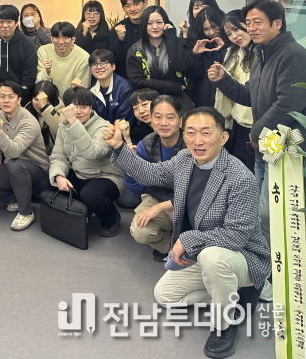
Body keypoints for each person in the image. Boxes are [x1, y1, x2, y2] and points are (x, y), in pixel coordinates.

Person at [104, 107, 270, 359]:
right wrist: (118, 147)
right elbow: (150, 173)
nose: (197, 140)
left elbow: (236, 236)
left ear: (223, 137)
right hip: (205, 253)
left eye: (206, 132)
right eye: (191, 132)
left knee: (212, 258)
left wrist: (187, 239)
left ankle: (225, 323)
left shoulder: (240, 178)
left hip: (242, 256)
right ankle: (238, 296)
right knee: (165, 296)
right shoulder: (184, 159)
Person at [209, 0, 306, 246]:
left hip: (285, 145)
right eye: (248, 23)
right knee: (262, 211)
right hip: (265, 145)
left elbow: (289, 104)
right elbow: (251, 96)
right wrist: (223, 80)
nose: (251, 28)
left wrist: (256, 131)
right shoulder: (262, 55)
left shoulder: (293, 55)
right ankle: (264, 259)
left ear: (277, 24)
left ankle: (276, 263)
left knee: (272, 213)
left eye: (257, 22)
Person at [0, 81, 50, 230]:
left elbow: (14, 151)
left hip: (37, 171)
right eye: (2, 96)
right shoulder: (0, 115)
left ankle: (26, 212)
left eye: (11, 97)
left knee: (15, 165)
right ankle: (16, 199)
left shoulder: (29, 121)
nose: (6, 100)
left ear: (19, 100)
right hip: (13, 165)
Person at [49, 87, 125, 237]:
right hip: (79, 173)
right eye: (74, 107)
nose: (78, 111)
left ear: (91, 108)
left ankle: (111, 218)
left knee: (91, 194)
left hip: (106, 176)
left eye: (83, 107)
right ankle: (85, 210)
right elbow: (58, 156)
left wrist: (73, 122)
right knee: (51, 182)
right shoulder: (64, 125)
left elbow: (93, 153)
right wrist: (59, 176)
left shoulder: (103, 126)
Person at [126, 95, 184, 261]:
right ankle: (172, 249)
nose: (163, 123)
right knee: (140, 230)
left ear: (180, 121)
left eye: (170, 117)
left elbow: (195, 192)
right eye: (158, 117)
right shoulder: (147, 143)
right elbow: (138, 188)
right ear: (151, 120)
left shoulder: (191, 144)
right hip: (156, 197)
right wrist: (131, 166)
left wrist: (160, 208)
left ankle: (186, 245)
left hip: (186, 203)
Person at [126, 5, 195, 111]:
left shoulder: (176, 43)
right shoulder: (136, 50)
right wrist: (172, 87)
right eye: (149, 23)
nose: (155, 27)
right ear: (144, 25)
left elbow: (185, 67)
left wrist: (171, 37)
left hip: (178, 101)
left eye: (159, 22)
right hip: (149, 104)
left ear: (166, 23)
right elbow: (136, 81)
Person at [213, 10, 254, 172]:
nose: (234, 36)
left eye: (236, 29)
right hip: (237, 122)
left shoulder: (263, 53)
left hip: (258, 123)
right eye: (229, 34)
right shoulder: (232, 53)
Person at [0, 5, 38, 106]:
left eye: (9, 22)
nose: (5, 25)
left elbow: (30, 76)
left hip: (17, 98)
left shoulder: (27, 44)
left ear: (16, 23)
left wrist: (17, 96)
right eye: (1, 22)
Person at [36, 21, 91, 97]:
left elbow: (82, 89)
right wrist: (47, 72)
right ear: (51, 39)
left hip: (72, 101)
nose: (61, 42)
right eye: (57, 37)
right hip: (47, 100)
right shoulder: (43, 51)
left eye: (65, 38)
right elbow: (39, 83)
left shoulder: (83, 57)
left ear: (73, 40)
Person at [188, 6, 227, 108]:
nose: (211, 32)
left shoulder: (232, 43)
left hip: (226, 100)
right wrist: (195, 54)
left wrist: (223, 49)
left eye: (214, 26)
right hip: (203, 101)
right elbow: (193, 76)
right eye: (206, 29)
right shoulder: (198, 44)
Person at [109, 0, 148, 76]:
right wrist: (120, 40)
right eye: (127, 6)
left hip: (153, 79)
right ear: (123, 8)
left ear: (145, 3)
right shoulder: (118, 29)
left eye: (136, 4)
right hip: (127, 78)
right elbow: (113, 60)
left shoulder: (155, 25)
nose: (132, 9)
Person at [88, 49, 133, 123]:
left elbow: (124, 120)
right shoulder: (91, 91)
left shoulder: (125, 89)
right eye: (94, 64)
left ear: (113, 66)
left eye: (103, 63)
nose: (98, 67)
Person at [28, 80, 63, 154]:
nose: (39, 103)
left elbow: (59, 130)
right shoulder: (27, 109)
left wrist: (45, 108)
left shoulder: (62, 112)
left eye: (45, 100)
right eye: (36, 99)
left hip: (55, 155)